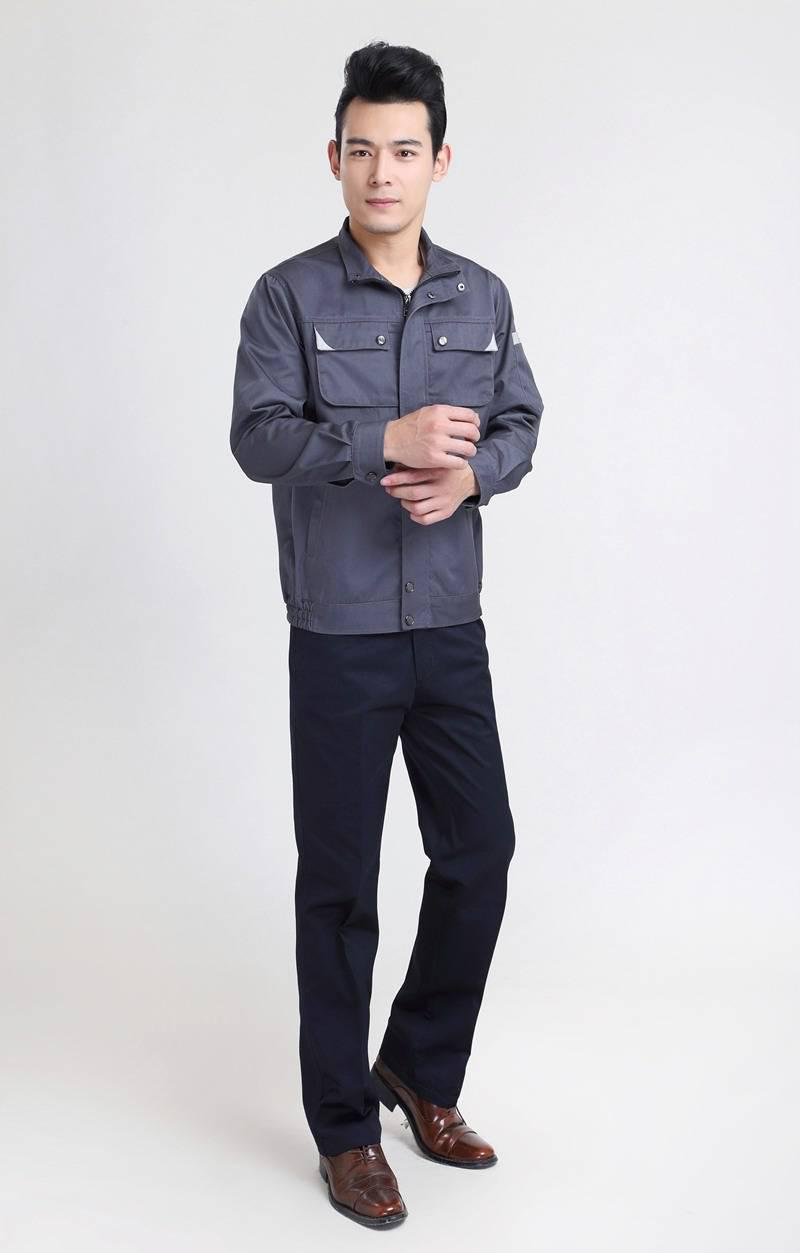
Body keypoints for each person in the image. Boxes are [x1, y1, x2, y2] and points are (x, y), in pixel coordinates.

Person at [230, 39, 544, 1229]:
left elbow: (518, 421)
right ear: (334, 158)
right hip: (341, 632)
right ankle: (344, 1129)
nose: (380, 173)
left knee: (479, 852)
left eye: (402, 151)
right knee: (340, 884)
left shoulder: (481, 295)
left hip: (448, 624)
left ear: (437, 162)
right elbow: (257, 436)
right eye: (360, 150)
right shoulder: (288, 295)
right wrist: (384, 444)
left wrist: (473, 476)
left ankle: (417, 1066)